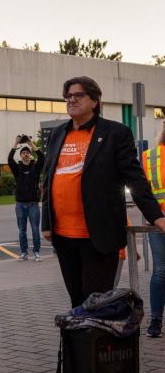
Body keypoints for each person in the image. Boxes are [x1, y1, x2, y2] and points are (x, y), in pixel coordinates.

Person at [41, 76, 165, 308]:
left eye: (78, 95)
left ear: (95, 101)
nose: (71, 100)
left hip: (98, 235)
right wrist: (46, 223)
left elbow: (134, 177)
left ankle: (94, 343)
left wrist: (156, 216)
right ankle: (76, 345)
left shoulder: (115, 133)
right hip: (64, 235)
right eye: (68, 96)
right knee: (76, 300)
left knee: (96, 303)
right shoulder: (58, 134)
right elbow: (48, 180)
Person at [140, 122, 165, 337]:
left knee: (160, 272)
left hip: (157, 223)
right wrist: (152, 216)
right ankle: (156, 319)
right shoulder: (151, 157)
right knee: (160, 272)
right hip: (159, 224)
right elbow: (143, 191)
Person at [8, 136, 44, 261]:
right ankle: (24, 252)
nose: (25, 155)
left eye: (27, 153)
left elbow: (42, 157)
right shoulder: (17, 169)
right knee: (22, 230)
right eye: (23, 153)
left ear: (30, 154)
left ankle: (37, 252)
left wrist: (30, 143)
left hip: (33, 204)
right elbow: (9, 159)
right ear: (21, 156)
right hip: (20, 204)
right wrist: (16, 143)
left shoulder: (35, 168)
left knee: (35, 230)